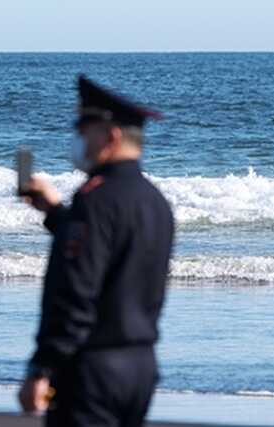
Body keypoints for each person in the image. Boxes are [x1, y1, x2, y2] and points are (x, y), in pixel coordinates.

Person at [18, 75, 174, 427]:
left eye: (85, 130)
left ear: (111, 135)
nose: (79, 140)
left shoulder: (96, 201)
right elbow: (112, 259)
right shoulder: (155, 202)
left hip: (92, 368)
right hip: (140, 367)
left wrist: (42, 366)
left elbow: (77, 292)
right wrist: (57, 214)